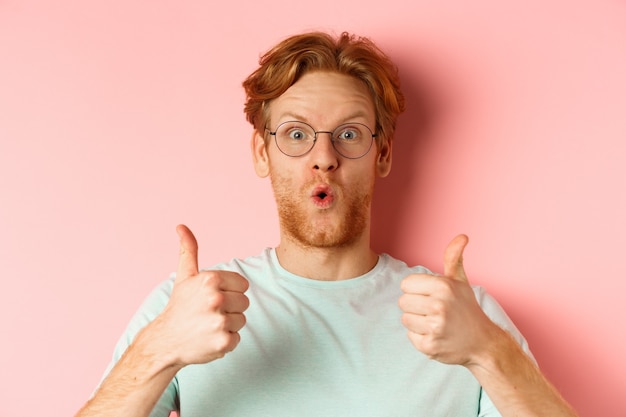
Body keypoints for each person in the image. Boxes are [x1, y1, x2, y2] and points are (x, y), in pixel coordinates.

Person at [75, 31, 577, 417]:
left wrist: (488, 351)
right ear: (262, 152)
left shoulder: (465, 317)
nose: (324, 157)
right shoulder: (185, 307)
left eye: (349, 134)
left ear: (381, 154)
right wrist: (159, 350)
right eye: (296, 133)